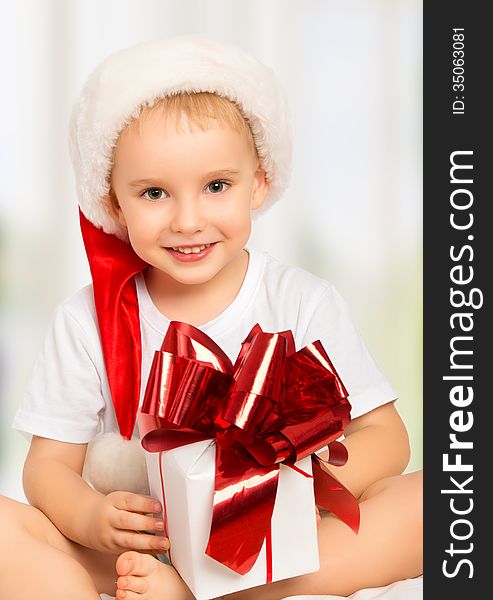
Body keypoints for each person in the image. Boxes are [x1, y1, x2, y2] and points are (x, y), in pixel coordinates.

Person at [2, 35, 422, 600]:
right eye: (154, 193)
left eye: (216, 186)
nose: (188, 219)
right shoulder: (86, 320)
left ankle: (225, 593)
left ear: (260, 182)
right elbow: (46, 468)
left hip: (276, 541)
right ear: (112, 204)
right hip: (145, 543)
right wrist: (94, 518)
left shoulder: (301, 301)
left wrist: (285, 486)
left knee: (437, 501)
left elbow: (388, 439)